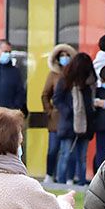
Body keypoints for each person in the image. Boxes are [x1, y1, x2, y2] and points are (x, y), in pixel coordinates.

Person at [53, 51, 96, 186]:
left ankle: (81, 182)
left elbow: (90, 106)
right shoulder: (65, 81)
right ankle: (61, 182)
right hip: (69, 123)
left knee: (81, 157)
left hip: (85, 125)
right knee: (66, 154)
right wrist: (68, 111)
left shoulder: (89, 84)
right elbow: (57, 99)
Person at [41, 43, 75, 183]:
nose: (65, 58)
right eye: (62, 56)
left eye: (67, 56)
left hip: (70, 118)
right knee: (53, 149)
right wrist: (49, 110)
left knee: (67, 151)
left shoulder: (74, 75)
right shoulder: (53, 74)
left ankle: (67, 177)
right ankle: (50, 174)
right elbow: (45, 95)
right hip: (55, 118)